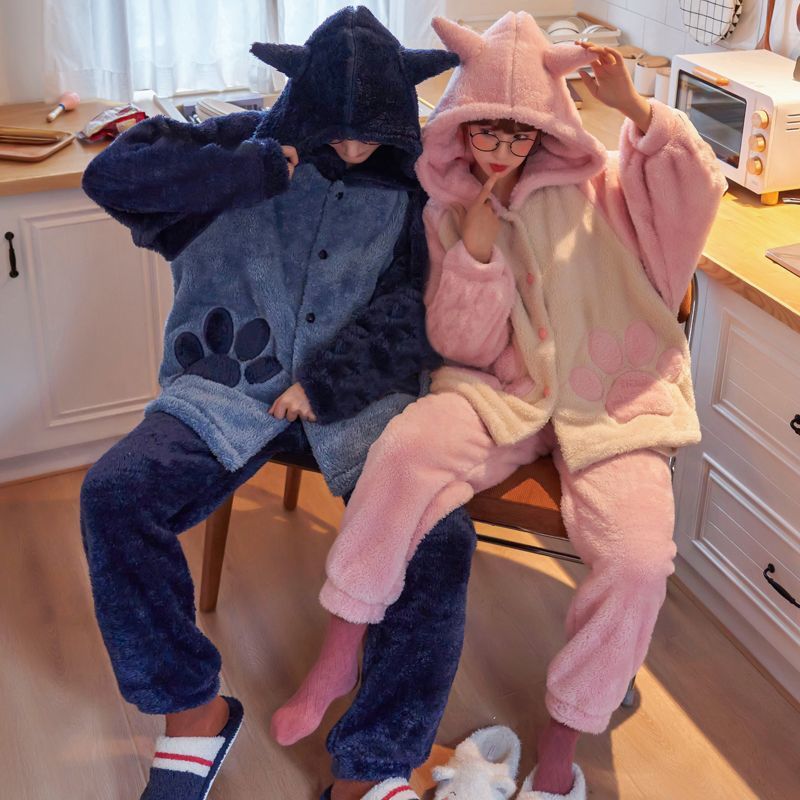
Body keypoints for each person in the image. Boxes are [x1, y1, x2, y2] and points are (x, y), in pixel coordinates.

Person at [276, 12, 727, 800]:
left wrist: (636, 110)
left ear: (545, 129)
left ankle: (562, 742)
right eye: (486, 128)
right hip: (501, 390)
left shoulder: (608, 187)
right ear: (461, 121)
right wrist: (477, 253)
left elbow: (698, 190)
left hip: (613, 396)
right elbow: (461, 343)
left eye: (519, 133)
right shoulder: (444, 208)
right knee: (404, 451)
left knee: (638, 561)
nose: (500, 147)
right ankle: (342, 645)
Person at [79, 8, 477, 800]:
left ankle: (373, 763)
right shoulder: (241, 148)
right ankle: (194, 712)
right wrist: (249, 171)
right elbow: (110, 178)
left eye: (371, 136)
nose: (355, 150)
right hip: (223, 389)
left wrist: (329, 384)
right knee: (115, 495)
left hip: (358, 405)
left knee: (441, 539)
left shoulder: (417, 185)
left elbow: (415, 312)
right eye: (339, 132)